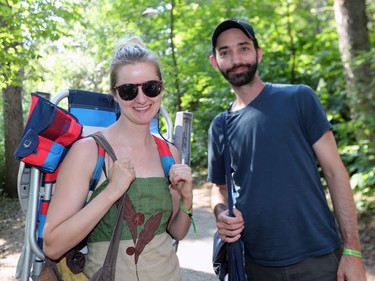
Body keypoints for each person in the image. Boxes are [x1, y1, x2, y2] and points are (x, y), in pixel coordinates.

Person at [207, 18, 367, 281]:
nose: (236, 58)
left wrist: (352, 251)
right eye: (225, 52)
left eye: (244, 48)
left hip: (319, 259)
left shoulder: (299, 98)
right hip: (256, 265)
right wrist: (221, 213)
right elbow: (219, 188)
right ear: (215, 62)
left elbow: (335, 172)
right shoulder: (220, 126)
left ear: (258, 53)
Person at [43, 36, 194, 281]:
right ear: (114, 94)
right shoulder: (88, 152)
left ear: (161, 88)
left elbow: (175, 231)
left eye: (151, 87)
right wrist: (112, 191)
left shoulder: (169, 153)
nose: (142, 98)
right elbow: (53, 245)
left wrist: (187, 198)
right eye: (128, 90)